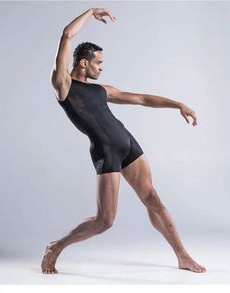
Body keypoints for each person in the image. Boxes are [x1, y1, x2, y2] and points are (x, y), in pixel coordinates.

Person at [41, 7, 206, 274]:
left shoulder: (101, 90)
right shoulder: (64, 86)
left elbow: (140, 98)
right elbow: (66, 35)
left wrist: (178, 104)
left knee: (153, 199)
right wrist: (91, 11)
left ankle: (183, 256)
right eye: (99, 63)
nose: (101, 68)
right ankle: (56, 247)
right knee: (105, 221)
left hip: (127, 143)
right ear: (84, 62)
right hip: (106, 152)